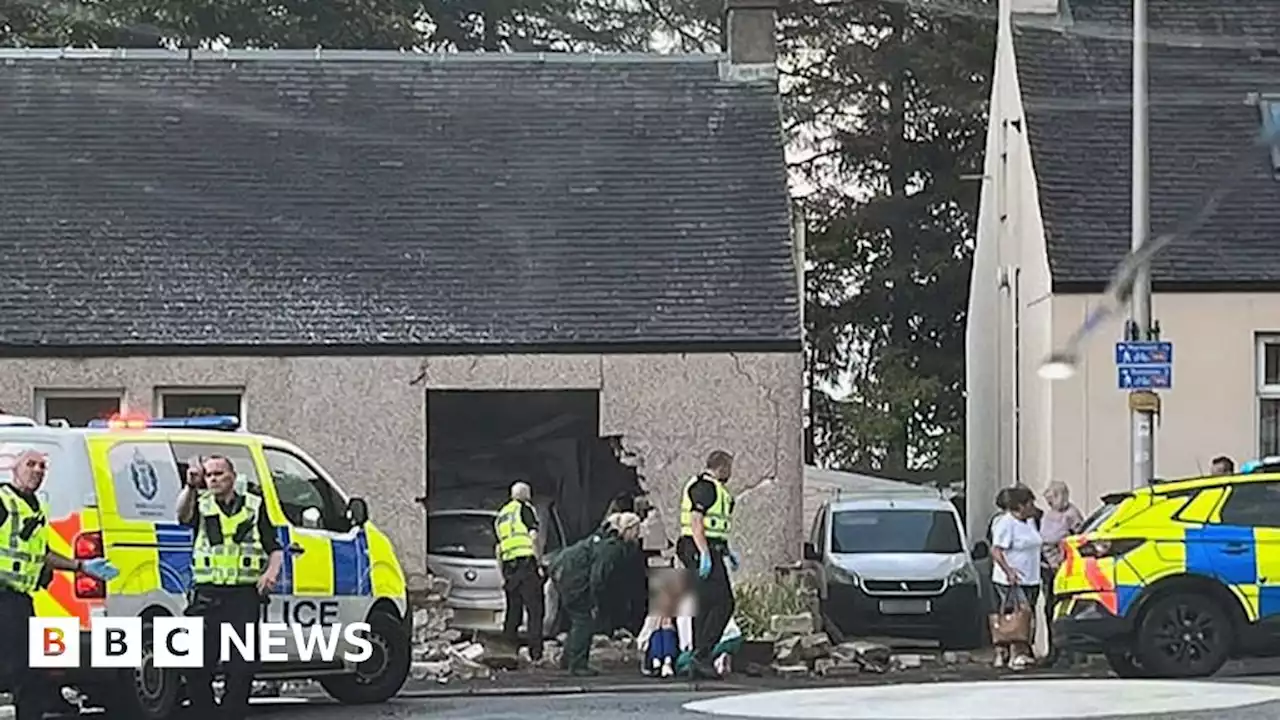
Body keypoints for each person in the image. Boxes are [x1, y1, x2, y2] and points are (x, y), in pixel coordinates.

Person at [0, 449, 117, 720]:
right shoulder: (4, 501)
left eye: (43, 466)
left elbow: (42, 553)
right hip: (3, 598)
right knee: (24, 671)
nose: (38, 471)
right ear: (13, 469)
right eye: (31, 465)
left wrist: (81, 566)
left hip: (18, 600)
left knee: (28, 672)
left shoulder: (35, 506)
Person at [176, 455, 284, 720]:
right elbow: (181, 515)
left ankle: (232, 713)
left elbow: (274, 548)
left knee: (241, 664)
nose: (213, 479)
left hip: (242, 595)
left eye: (219, 474)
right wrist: (190, 486)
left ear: (233, 477)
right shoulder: (200, 505)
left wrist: (270, 574)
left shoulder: (254, 507)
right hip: (207, 594)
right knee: (195, 660)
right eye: (209, 475)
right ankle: (205, 711)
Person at [549, 512, 641, 676]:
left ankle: (568, 659)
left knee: (578, 620)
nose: (638, 535)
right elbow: (598, 576)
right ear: (628, 529)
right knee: (584, 621)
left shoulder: (601, 540)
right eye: (636, 530)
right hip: (573, 580)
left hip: (563, 573)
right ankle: (578, 665)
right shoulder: (611, 548)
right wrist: (595, 601)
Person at [676, 450, 738, 680]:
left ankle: (697, 659)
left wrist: (727, 551)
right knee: (724, 602)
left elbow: (715, 526)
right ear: (722, 467)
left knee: (703, 604)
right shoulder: (705, 487)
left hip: (709, 548)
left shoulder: (715, 489)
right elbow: (696, 521)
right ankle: (702, 655)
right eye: (729, 468)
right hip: (699, 548)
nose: (731, 473)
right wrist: (704, 552)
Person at [990, 485, 1043, 671]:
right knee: (1018, 614)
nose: (1033, 507)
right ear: (1019, 506)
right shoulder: (1006, 523)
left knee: (1026, 615)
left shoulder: (1030, 522)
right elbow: (996, 550)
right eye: (1029, 504)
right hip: (1012, 579)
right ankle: (1014, 653)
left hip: (1032, 577)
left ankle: (1013, 652)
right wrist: (1008, 571)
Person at [494, 482, 543, 662]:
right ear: (525, 495)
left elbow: (498, 549)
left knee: (513, 611)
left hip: (509, 567)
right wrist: (538, 562)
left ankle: (508, 651)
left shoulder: (502, 515)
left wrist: (503, 574)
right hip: (526, 564)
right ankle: (535, 654)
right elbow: (533, 536)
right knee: (535, 609)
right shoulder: (525, 509)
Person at [1039, 480, 1083, 664]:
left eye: (1051, 499)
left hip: (1064, 567)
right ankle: (1053, 650)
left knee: (1064, 608)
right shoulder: (1048, 516)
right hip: (1047, 568)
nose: (1049, 503)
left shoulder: (1071, 515)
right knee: (1049, 608)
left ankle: (1069, 653)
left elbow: (1079, 538)